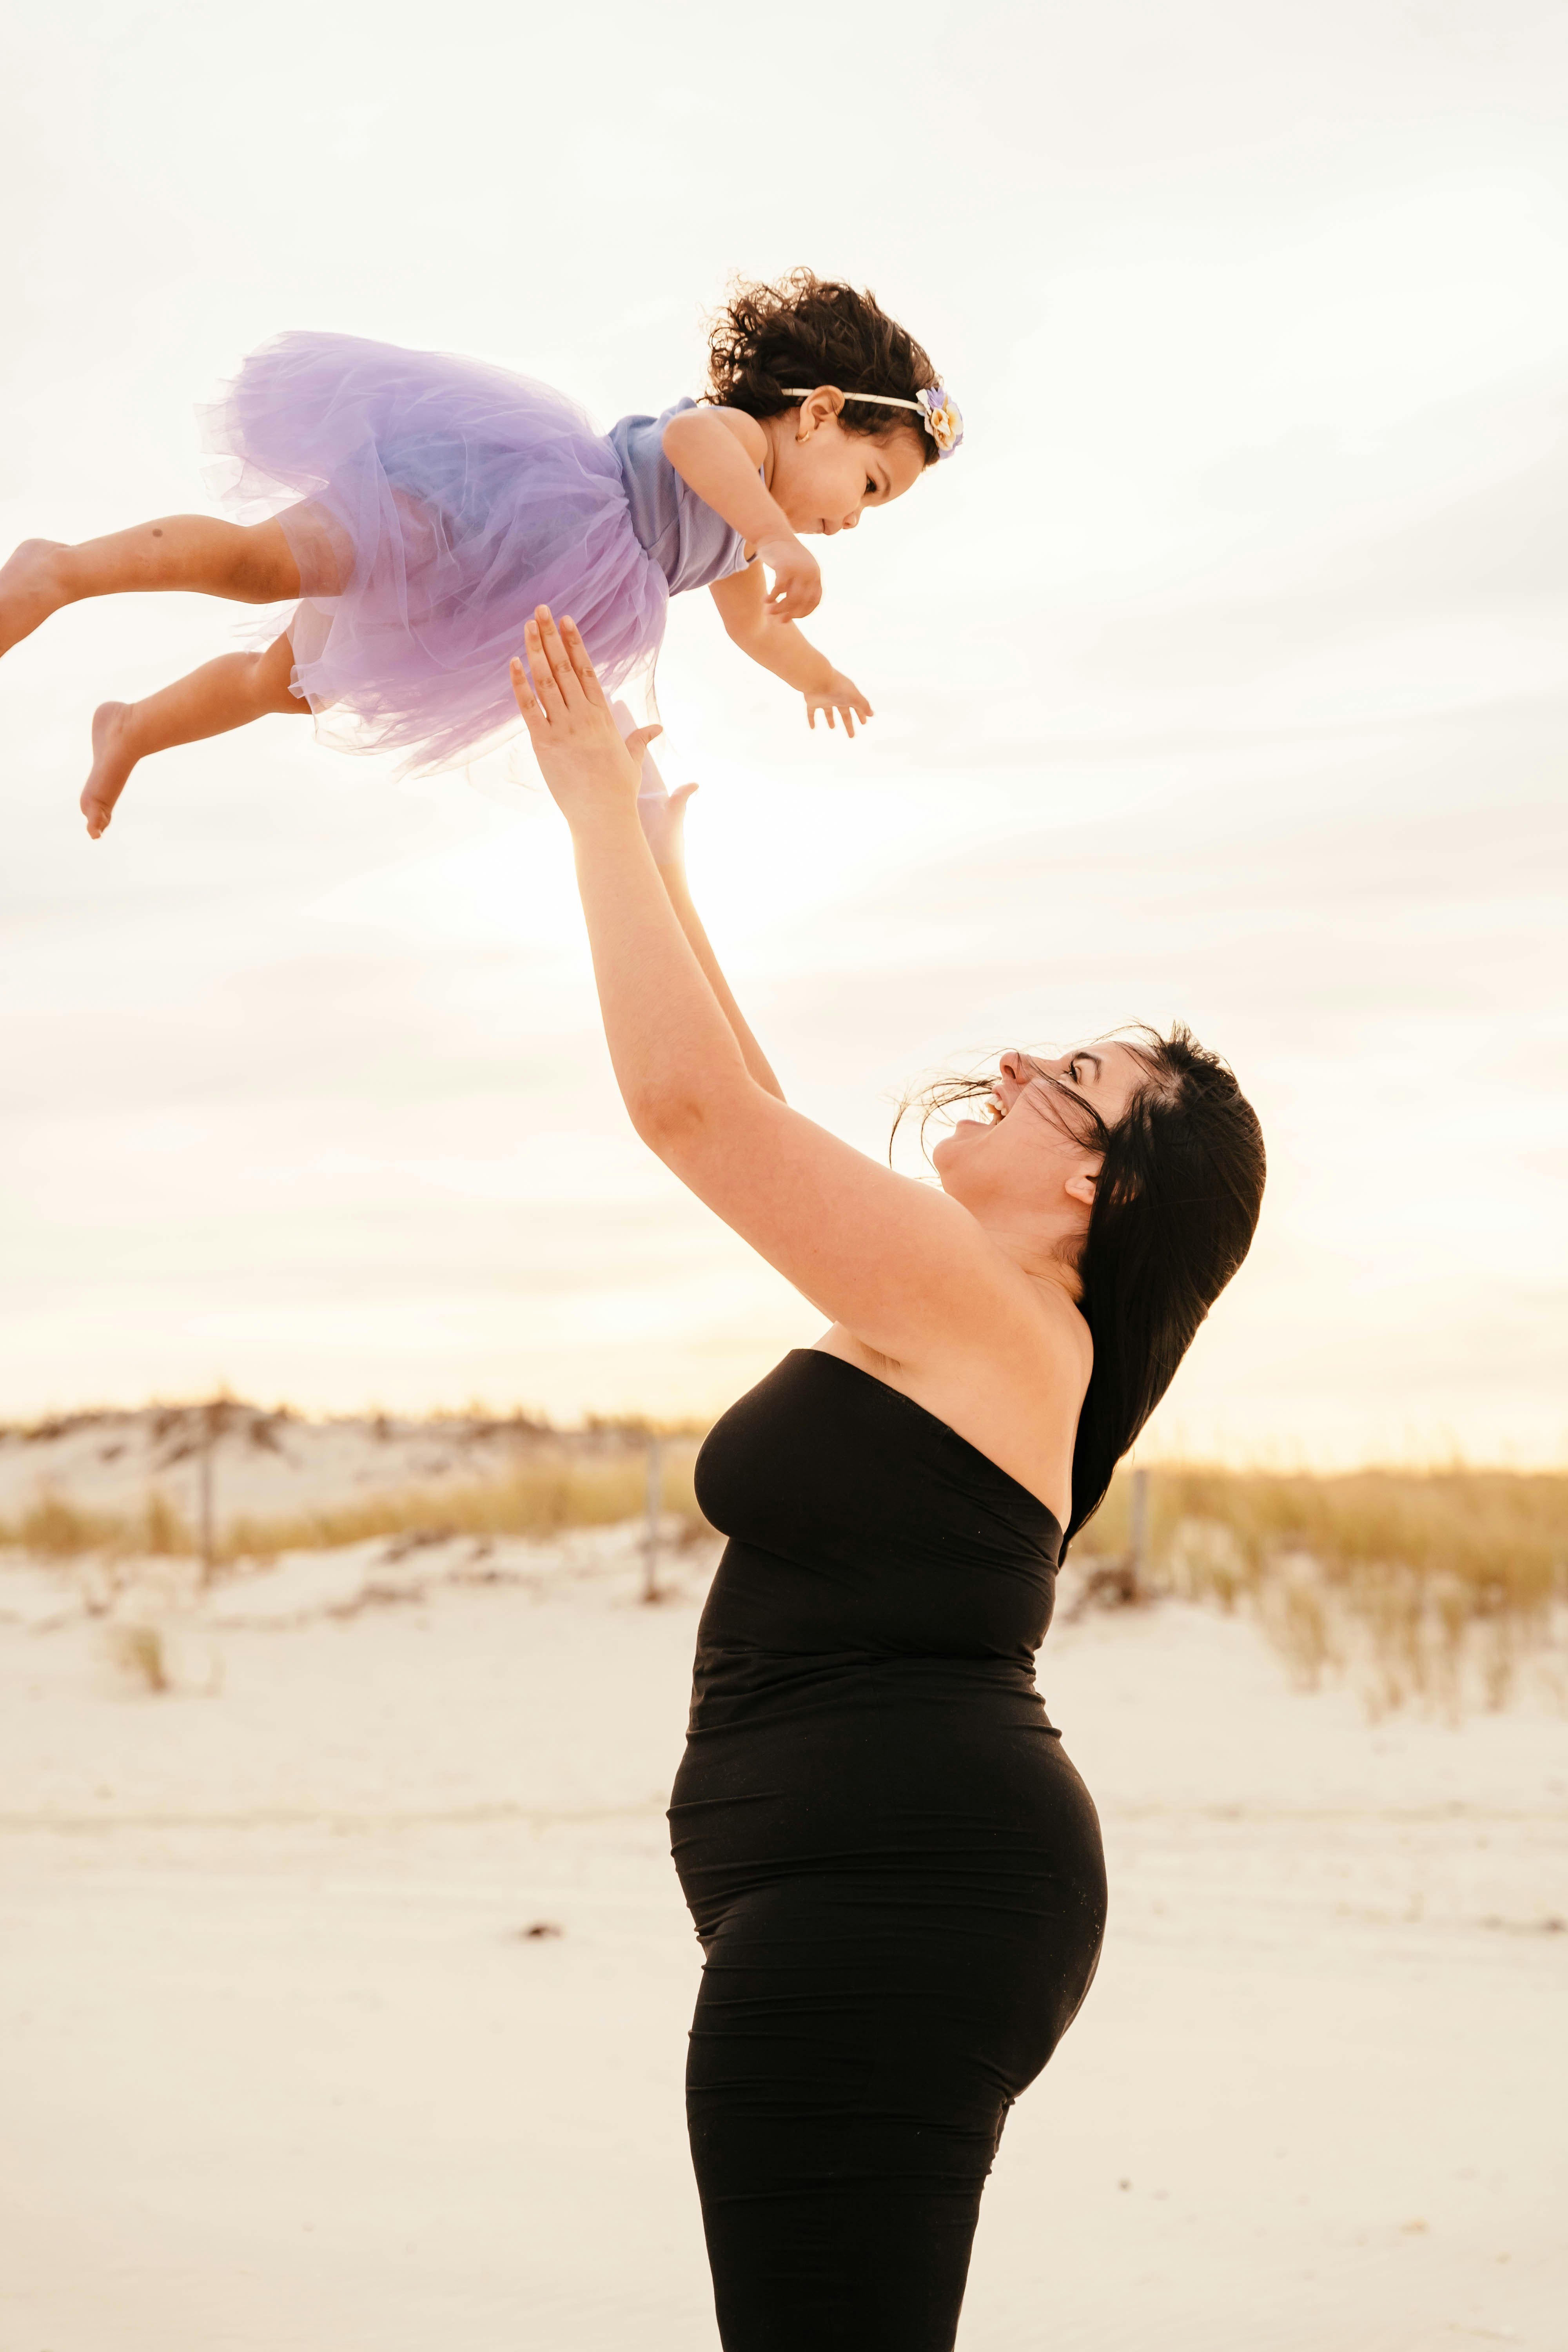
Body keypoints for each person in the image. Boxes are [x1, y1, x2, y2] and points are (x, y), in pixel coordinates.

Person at [510, 608, 1266, 2351]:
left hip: (897, 1903)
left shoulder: (1009, 1324)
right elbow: (755, 1109)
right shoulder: (980, 1315)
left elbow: (691, 1114)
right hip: (888, 1893)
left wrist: (587, 821)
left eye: (1071, 1082)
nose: (1014, 1062)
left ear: (1100, 1197)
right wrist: (660, 856)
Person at [0, 271, 960, 839]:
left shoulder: (740, 543)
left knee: (283, 682)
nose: (854, 520)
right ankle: (63, 570)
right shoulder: (739, 451)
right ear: (821, 414)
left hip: (480, 597)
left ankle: (133, 728)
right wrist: (776, 532)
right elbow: (688, 448)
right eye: (870, 486)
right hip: (479, 504)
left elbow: (756, 628)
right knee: (270, 564)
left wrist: (817, 674)